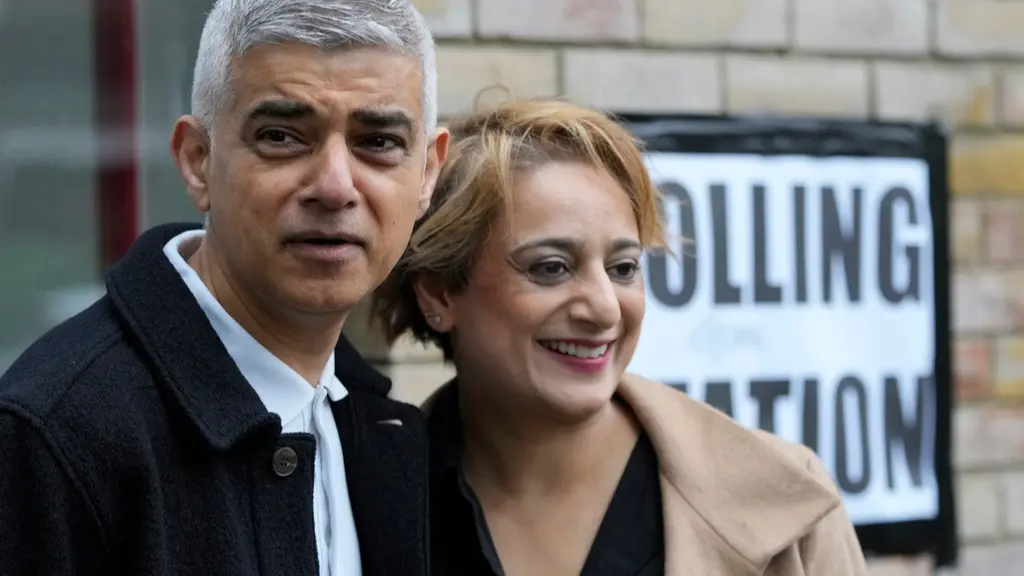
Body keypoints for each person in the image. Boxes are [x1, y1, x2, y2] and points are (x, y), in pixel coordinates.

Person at [0, 1, 448, 575]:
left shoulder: (381, 431)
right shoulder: (54, 437)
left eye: (378, 142)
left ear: (428, 175)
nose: (335, 187)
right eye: (283, 136)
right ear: (196, 161)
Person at [372, 98, 869, 575]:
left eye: (623, 268)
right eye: (551, 267)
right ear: (439, 294)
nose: (605, 308)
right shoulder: (363, 500)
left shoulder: (786, 498)